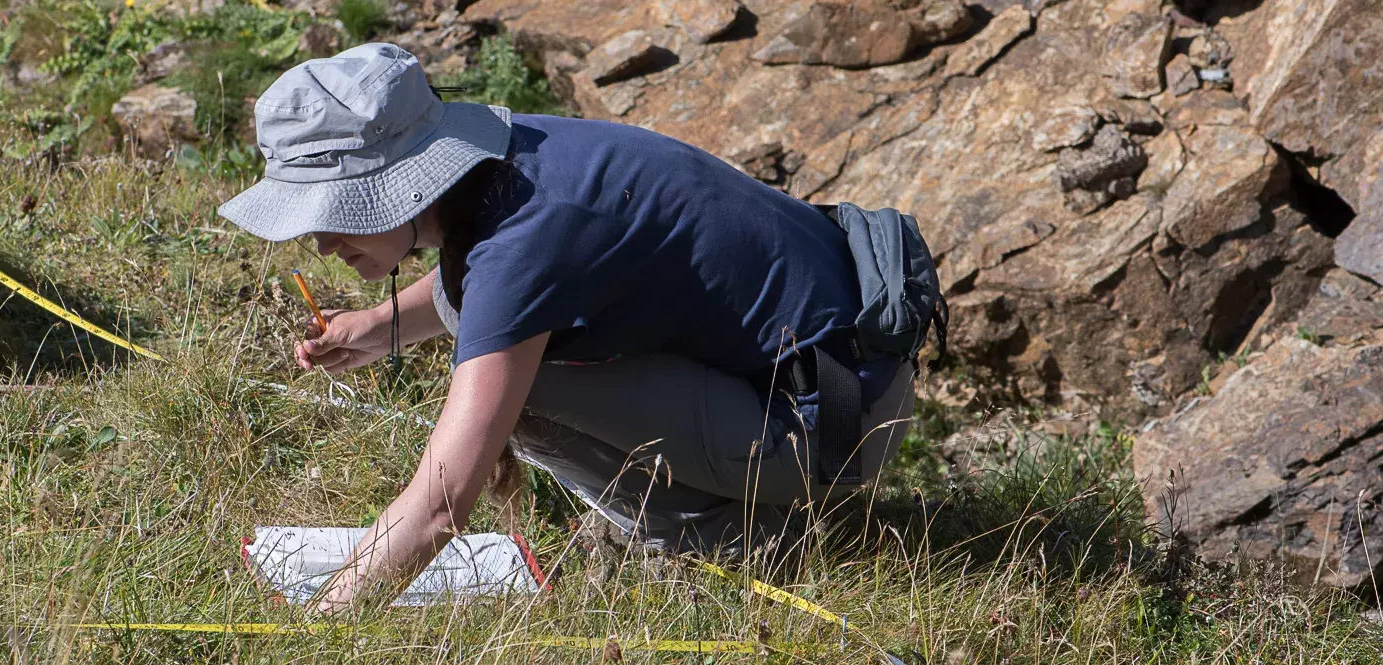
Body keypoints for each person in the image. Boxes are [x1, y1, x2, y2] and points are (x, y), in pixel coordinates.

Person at [218, 43, 938, 613]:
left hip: (835, 425)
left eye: (331, 212)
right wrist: (377, 326)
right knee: (504, 358)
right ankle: (725, 500)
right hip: (845, 368)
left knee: (516, 394)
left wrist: (323, 624)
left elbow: (441, 504)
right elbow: (495, 281)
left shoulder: (522, 241)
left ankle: (740, 541)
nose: (319, 244)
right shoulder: (514, 162)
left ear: (402, 181)